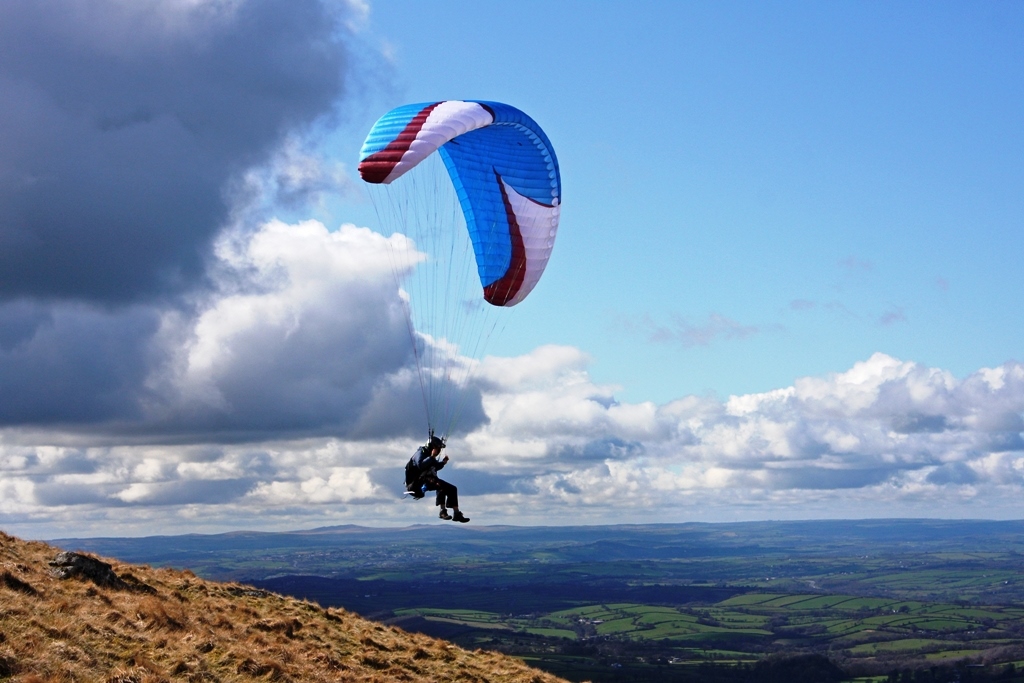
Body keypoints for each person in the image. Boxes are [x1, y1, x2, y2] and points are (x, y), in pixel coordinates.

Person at [406, 435, 469, 523]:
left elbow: (435, 466)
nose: (438, 451)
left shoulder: (429, 456)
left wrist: (443, 462)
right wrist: (431, 457)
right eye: (437, 448)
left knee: (452, 488)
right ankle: (443, 511)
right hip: (414, 485)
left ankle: (456, 514)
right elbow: (420, 466)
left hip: (425, 481)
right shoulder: (420, 453)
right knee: (440, 485)